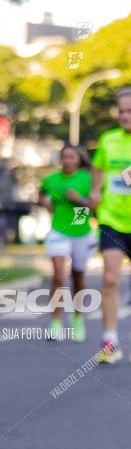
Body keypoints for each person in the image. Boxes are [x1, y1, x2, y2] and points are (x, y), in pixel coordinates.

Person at [89, 87, 131, 364]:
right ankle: (110, 340)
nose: (125, 116)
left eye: (130, 111)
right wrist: (95, 191)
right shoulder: (108, 140)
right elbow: (99, 170)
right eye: (122, 110)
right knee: (111, 278)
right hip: (112, 219)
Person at [39, 144, 95, 342]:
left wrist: (79, 199)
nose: (67, 161)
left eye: (71, 157)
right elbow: (41, 196)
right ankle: (55, 322)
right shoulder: (50, 179)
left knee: (78, 276)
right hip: (58, 230)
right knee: (59, 276)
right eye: (64, 157)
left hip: (81, 230)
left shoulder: (87, 178)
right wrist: (45, 203)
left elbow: (95, 206)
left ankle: (78, 318)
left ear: (78, 160)